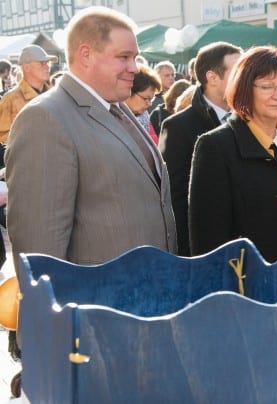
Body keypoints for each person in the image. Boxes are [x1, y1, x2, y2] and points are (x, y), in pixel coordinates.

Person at [5, 6, 177, 398]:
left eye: (135, 57)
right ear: (85, 54)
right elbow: (40, 253)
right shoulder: (46, 120)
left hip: (140, 319)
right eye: (123, 57)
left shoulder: (119, 109)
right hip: (91, 333)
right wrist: (54, 345)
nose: (135, 66)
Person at [189, 46, 277, 277]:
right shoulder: (216, 146)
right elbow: (208, 239)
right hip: (249, 289)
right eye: (267, 86)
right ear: (244, 88)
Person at [159, 42, 242, 256]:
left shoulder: (250, 116)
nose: (245, 76)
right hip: (205, 249)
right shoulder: (178, 126)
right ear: (212, 77)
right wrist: (189, 257)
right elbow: (175, 198)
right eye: (238, 70)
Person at [0, 45, 56, 144]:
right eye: (41, 63)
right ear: (26, 67)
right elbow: (2, 137)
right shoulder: (10, 99)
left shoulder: (55, 96)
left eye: (48, 63)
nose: (47, 66)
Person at [123, 64, 161, 144]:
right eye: (146, 99)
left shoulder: (144, 117)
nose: (150, 104)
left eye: (151, 99)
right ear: (129, 92)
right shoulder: (113, 116)